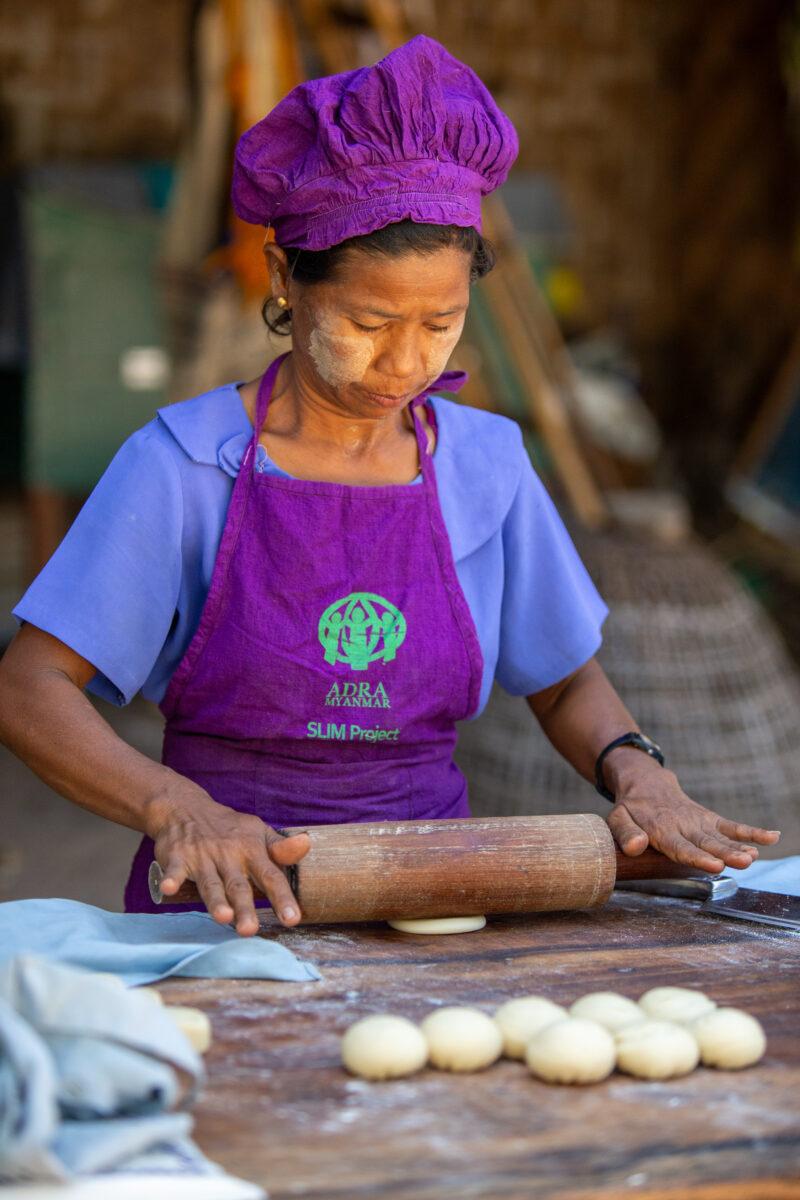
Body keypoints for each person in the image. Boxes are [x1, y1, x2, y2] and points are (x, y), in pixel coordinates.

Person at [0, 37, 779, 937]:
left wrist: (640, 771)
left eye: (440, 322)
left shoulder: (486, 464)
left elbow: (564, 685)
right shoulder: (183, 462)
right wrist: (176, 807)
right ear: (289, 278)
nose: (406, 362)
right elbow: (31, 687)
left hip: (431, 894)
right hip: (227, 902)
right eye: (369, 322)